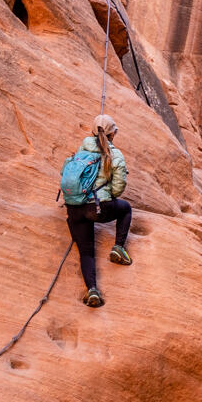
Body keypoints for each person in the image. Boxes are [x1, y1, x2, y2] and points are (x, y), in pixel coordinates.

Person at [66, 114, 132, 307]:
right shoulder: (114, 154)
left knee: (86, 252)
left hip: (74, 208)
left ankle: (92, 290)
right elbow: (119, 186)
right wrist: (107, 194)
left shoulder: (82, 147)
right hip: (97, 208)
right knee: (126, 208)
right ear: (113, 133)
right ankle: (118, 248)